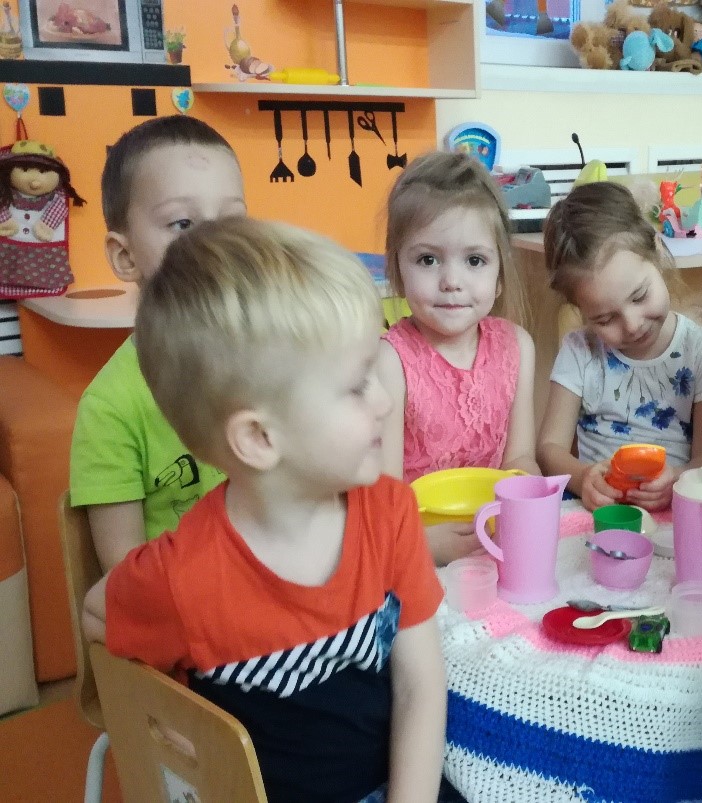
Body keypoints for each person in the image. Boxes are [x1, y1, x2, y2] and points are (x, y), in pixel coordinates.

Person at [82, 218, 447, 803]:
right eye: (357, 385)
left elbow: (420, 688)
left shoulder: (391, 513)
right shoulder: (183, 576)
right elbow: (97, 614)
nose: (384, 400)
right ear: (258, 438)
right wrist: (172, 721)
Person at [69, 116, 246, 571]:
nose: (216, 244)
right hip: (187, 606)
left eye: (232, 222)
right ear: (125, 256)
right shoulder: (111, 406)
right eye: (182, 223)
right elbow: (125, 574)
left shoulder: (275, 361)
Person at [377, 150, 538, 566]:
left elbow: (519, 458)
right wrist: (421, 544)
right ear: (397, 270)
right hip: (413, 551)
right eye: (427, 260)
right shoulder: (388, 361)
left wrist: (528, 498)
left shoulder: (517, 346)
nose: (451, 281)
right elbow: (381, 495)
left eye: (474, 260)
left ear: (500, 275)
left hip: (496, 541)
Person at [537, 181, 702, 511]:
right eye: (604, 318)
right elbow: (549, 448)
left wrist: (678, 480)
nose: (632, 325)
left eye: (639, 296)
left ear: (656, 250)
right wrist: (583, 478)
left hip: (674, 511)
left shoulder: (701, 351)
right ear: (580, 310)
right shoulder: (580, 351)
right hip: (597, 512)